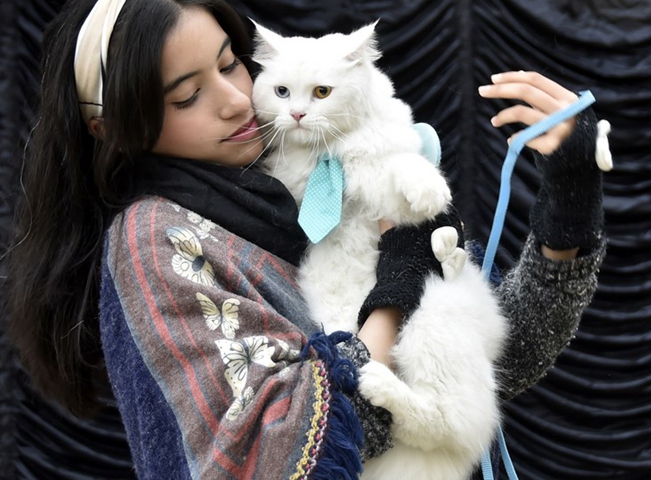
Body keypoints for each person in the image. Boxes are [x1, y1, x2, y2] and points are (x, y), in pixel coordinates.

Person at [6, 0, 607, 478]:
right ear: (112, 128)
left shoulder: (301, 172)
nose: (237, 99)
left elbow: (492, 365)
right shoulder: (157, 242)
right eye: (188, 95)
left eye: (230, 64)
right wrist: (398, 289)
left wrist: (568, 203)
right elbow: (290, 455)